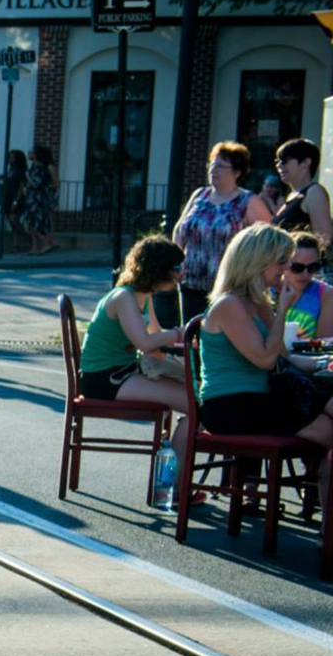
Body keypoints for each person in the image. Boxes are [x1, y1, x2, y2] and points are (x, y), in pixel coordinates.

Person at [196, 223, 333, 447]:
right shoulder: (230, 303)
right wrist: (283, 309)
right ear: (257, 262)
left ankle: (321, 478)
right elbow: (266, 360)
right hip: (229, 405)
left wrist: (324, 362)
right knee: (327, 429)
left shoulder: (259, 303)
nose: (286, 267)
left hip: (261, 399)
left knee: (327, 417)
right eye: (282, 261)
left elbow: (284, 357)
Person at [80, 237, 192, 461]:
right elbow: (146, 343)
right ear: (159, 269)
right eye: (177, 268)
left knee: (195, 401)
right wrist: (181, 334)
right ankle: (174, 487)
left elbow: (155, 337)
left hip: (123, 372)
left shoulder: (143, 296)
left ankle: (174, 482)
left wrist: (184, 343)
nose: (181, 274)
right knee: (195, 406)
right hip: (105, 378)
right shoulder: (124, 297)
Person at [171, 140, 267, 323]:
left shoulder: (248, 201)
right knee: (192, 333)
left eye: (221, 166)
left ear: (237, 172)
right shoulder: (200, 195)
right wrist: (175, 265)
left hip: (227, 286)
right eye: (212, 164)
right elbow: (179, 230)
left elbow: (266, 241)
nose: (213, 170)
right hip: (191, 281)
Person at [272, 138, 332, 250]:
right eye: (277, 161)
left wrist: (304, 265)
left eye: (285, 160)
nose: (279, 165)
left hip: (302, 266)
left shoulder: (314, 192)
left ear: (306, 163)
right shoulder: (292, 195)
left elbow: (324, 239)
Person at [281, 230, 325, 341]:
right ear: (283, 263)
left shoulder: (326, 294)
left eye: (312, 268)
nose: (306, 274)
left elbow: (325, 344)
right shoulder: (266, 292)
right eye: (297, 267)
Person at [22, 145, 59, 254]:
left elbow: (36, 183)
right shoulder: (33, 166)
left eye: (32, 151)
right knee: (31, 222)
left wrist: (27, 176)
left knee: (37, 222)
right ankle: (35, 247)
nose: (30, 153)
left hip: (38, 199)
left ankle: (47, 243)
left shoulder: (42, 167)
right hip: (31, 198)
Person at [0, 149, 31, 251]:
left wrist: (15, 201)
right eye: (9, 157)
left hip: (16, 198)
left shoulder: (21, 171)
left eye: (12, 157)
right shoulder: (10, 170)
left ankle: (29, 238)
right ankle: (16, 245)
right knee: (11, 223)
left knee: (14, 221)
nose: (10, 159)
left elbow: (21, 187)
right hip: (8, 197)